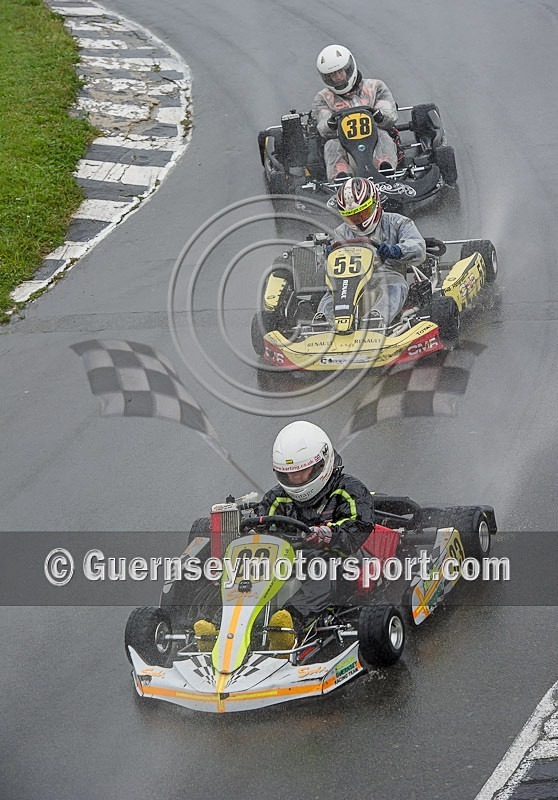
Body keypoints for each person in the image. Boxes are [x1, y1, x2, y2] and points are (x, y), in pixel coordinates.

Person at [194, 421, 374, 653]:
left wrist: (325, 535)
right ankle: (216, 625)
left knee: (321, 569)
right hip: (286, 559)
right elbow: (261, 524)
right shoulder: (277, 497)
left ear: (322, 463)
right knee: (240, 569)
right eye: (289, 474)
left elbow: (359, 525)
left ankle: (288, 625)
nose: (296, 479)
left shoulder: (349, 490)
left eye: (302, 472)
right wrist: (250, 533)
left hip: (339, 559)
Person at [317, 176, 426, 328]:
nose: (358, 220)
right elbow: (324, 269)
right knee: (332, 293)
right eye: (352, 217)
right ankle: (324, 321)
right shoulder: (341, 233)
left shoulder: (398, 222)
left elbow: (418, 247)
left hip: (387, 275)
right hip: (351, 280)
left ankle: (376, 319)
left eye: (362, 213)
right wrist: (327, 257)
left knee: (395, 286)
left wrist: (395, 250)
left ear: (376, 203)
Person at [312, 44, 399, 180]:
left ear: (349, 68)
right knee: (331, 145)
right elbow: (323, 127)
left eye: (340, 71)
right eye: (332, 74)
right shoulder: (322, 98)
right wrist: (330, 123)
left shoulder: (376, 87)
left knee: (383, 136)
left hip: (374, 138)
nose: (338, 77)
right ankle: (341, 179)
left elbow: (390, 114)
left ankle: (385, 169)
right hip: (343, 143)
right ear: (326, 77)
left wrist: (380, 116)